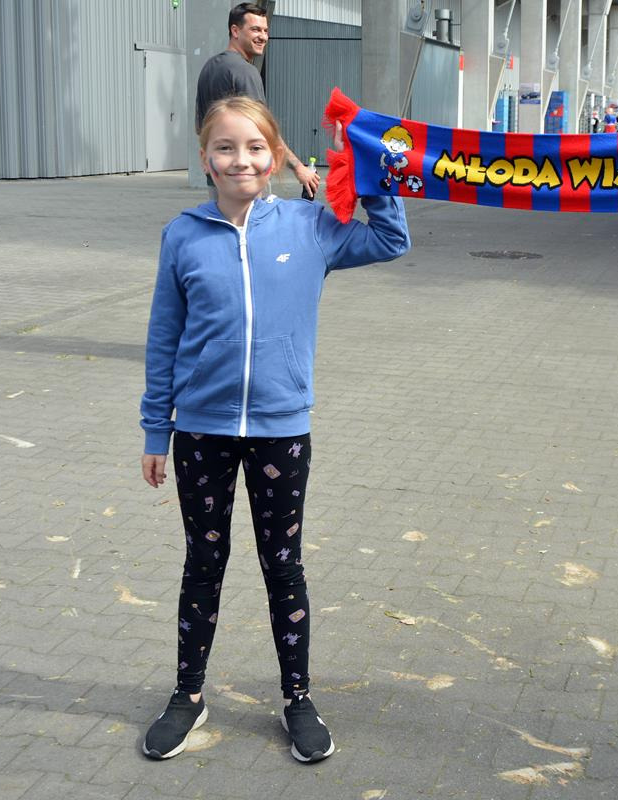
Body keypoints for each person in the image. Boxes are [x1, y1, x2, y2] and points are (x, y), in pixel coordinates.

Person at [139, 96, 410, 763]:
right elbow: (164, 337)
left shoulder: (310, 226)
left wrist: (373, 172)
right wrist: (154, 430)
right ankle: (188, 696)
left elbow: (390, 240)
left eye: (256, 147)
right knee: (203, 563)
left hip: (279, 432)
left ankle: (298, 699)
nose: (242, 160)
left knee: (283, 566)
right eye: (226, 148)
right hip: (200, 432)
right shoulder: (182, 235)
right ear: (206, 159)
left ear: (277, 156)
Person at [195, 3, 320, 200]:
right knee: (253, 220)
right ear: (235, 31)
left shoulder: (209, 68)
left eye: (265, 30)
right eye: (255, 29)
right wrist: (298, 167)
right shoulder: (245, 71)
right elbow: (264, 130)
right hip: (245, 176)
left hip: (216, 176)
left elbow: (200, 128)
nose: (263, 36)